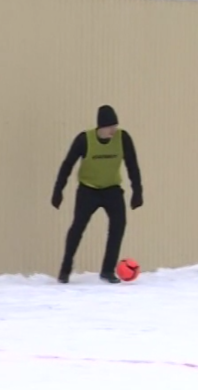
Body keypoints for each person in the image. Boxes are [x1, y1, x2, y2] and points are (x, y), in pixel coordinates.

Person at [50, 105, 143, 284]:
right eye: (110, 127)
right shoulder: (84, 140)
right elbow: (67, 165)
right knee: (78, 227)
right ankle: (65, 268)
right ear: (101, 126)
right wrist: (58, 190)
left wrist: (137, 191)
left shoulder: (123, 138)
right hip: (88, 190)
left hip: (112, 189)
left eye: (115, 126)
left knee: (118, 225)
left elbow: (132, 165)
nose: (113, 130)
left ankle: (107, 270)